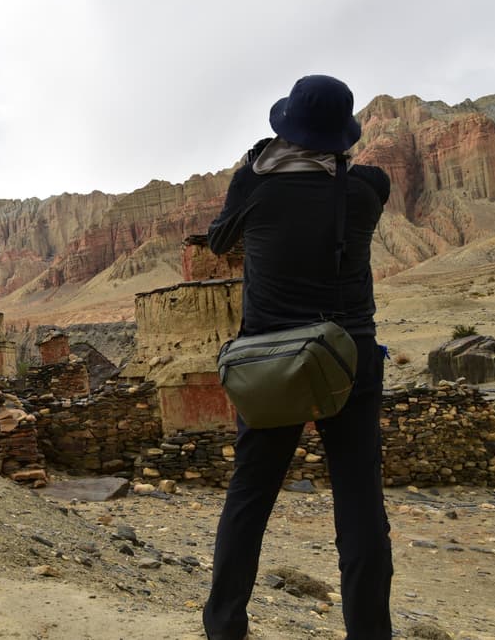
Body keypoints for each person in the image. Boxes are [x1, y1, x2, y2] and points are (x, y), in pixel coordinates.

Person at [202, 75, 393, 639]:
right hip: (349, 357)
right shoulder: (364, 191)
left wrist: (256, 165)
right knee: (360, 506)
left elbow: (217, 240)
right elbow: (365, 174)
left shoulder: (255, 187)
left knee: (250, 498)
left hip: (271, 361)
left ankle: (225, 626)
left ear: (284, 130)